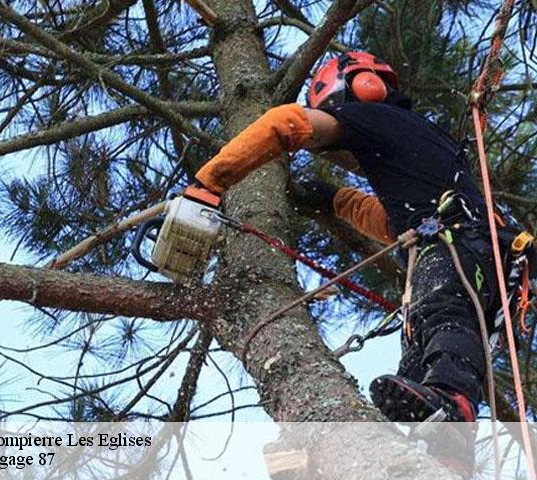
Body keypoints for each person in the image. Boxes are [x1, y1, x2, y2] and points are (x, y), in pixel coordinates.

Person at [193, 51, 501, 425]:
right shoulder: (419, 141)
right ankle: (444, 449)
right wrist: (333, 199)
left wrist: (209, 182)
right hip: (475, 256)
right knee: (419, 357)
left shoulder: (370, 116)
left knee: (440, 311)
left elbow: (286, 122)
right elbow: (396, 223)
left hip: (456, 247)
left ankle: (453, 400)